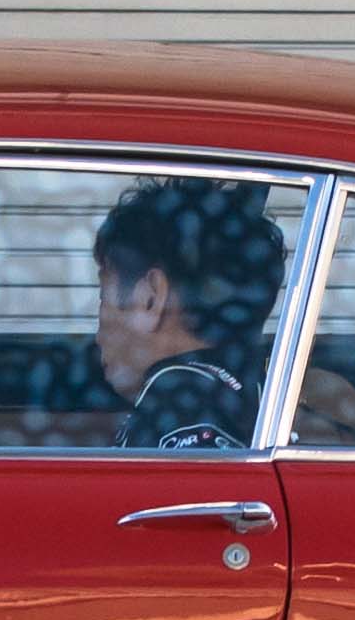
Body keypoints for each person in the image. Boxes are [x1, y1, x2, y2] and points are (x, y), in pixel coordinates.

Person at [91, 178, 290, 450]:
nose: (99, 336)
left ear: (151, 297)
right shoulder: (252, 395)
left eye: (104, 299)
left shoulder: (178, 400)